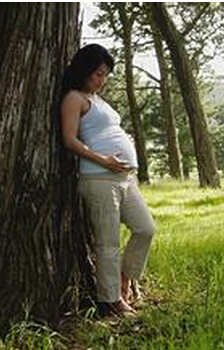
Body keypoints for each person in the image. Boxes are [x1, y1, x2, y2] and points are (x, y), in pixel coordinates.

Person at [60, 44, 156, 317]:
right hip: (99, 177)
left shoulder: (98, 100)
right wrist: (106, 161)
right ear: (85, 70)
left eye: (105, 75)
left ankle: (125, 279)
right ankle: (111, 302)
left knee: (145, 228)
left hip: (125, 178)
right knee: (107, 242)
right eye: (98, 74)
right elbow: (70, 140)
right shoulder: (74, 98)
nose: (101, 80)